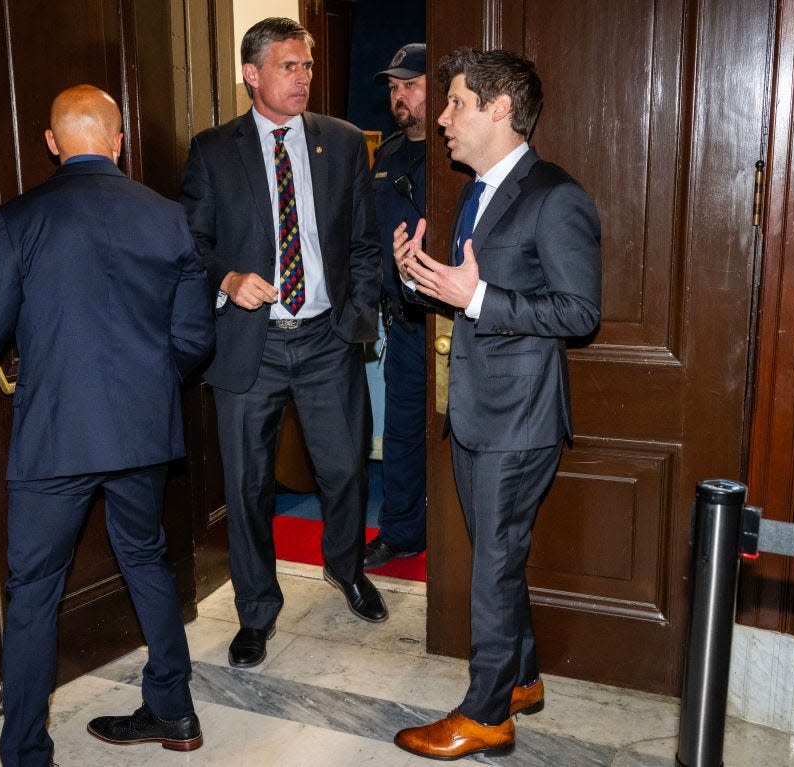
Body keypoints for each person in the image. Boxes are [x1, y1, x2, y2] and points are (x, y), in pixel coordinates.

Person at [0, 84, 214, 766]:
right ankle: (174, 710)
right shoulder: (168, 217)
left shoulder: (19, 219)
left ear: (52, 144)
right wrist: (141, 387)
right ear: (118, 141)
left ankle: (26, 750)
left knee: (33, 590)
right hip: (142, 430)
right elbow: (195, 337)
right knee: (145, 559)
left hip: (55, 432)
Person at [391, 48, 601, 759]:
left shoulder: (555, 195)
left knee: (495, 564)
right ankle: (522, 678)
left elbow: (579, 311)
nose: (442, 119)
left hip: (520, 417)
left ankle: (486, 715)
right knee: (497, 556)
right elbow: (469, 296)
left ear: (500, 109)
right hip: (479, 409)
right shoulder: (479, 191)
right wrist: (421, 278)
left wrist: (473, 295)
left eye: (455, 104)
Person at [180, 16, 386, 670]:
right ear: (252, 74)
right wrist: (229, 278)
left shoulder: (345, 142)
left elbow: (362, 241)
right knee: (245, 486)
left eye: (306, 66)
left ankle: (346, 566)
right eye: (288, 66)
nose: (303, 78)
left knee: (346, 466)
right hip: (250, 345)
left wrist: (358, 318)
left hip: (326, 338)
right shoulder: (213, 150)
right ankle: (256, 612)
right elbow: (192, 243)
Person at [364, 43, 429, 571]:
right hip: (404, 325)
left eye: (411, 84)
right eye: (393, 87)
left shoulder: (457, 154)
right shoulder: (386, 155)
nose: (400, 95)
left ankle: (459, 536)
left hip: (454, 322)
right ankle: (403, 533)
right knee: (403, 433)